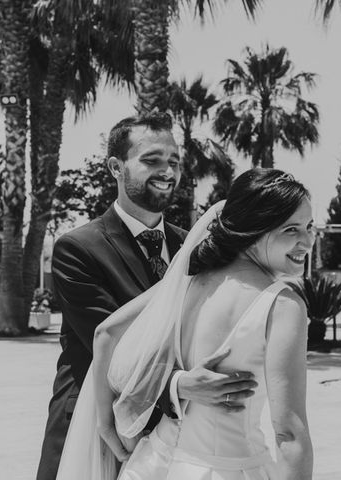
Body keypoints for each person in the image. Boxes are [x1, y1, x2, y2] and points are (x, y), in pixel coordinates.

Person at [36, 112, 257, 480]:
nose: (167, 171)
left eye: (173, 161)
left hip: (174, 430)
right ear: (115, 167)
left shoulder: (193, 244)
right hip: (95, 427)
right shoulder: (77, 248)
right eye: (151, 160)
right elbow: (117, 345)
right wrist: (180, 384)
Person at [56, 168, 315, 480]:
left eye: (309, 228)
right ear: (255, 228)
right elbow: (288, 433)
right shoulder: (283, 305)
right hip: (228, 468)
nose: (307, 242)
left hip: (152, 465)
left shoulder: (188, 281)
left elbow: (106, 334)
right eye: (291, 230)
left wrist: (106, 424)